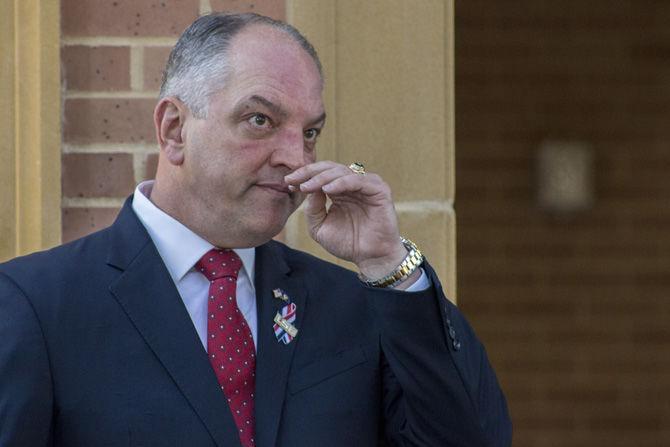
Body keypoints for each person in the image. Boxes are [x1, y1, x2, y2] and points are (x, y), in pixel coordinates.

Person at [0, 12, 511, 447]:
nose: (295, 158)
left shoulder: (356, 304)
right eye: (260, 120)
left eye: (309, 133)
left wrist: (389, 267)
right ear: (174, 129)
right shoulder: (35, 304)